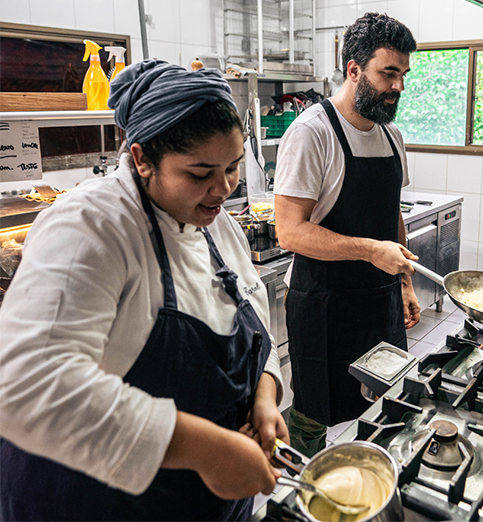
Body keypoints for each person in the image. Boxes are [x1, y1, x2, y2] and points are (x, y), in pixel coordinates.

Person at [0, 60, 289, 521]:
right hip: (93, 502)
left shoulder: (217, 226)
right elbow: (25, 387)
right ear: (141, 159)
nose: (222, 188)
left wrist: (264, 394)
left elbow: (254, 317)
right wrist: (209, 451)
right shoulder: (91, 227)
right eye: (199, 174)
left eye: (233, 167)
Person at [274, 12, 420, 457]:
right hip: (324, 305)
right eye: (388, 73)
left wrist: (405, 282)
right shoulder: (311, 133)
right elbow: (289, 232)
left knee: (387, 403)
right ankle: (304, 485)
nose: (397, 86)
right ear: (354, 70)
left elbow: (390, 211)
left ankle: (372, 476)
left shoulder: (391, 136)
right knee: (314, 412)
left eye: (403, 75)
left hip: (379, 300)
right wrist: (369, 251)